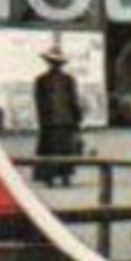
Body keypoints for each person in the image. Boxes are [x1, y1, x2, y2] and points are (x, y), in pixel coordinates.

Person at [33, 46, 82, 188]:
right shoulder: (68, 79)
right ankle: (65, 176)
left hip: (50, 122)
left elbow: (39, 103)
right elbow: (73, 101)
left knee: (50, 150)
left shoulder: (41, 80)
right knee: (65, 149)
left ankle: (49, 177)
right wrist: (77, 119)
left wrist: (42, 121)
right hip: (65, 121)